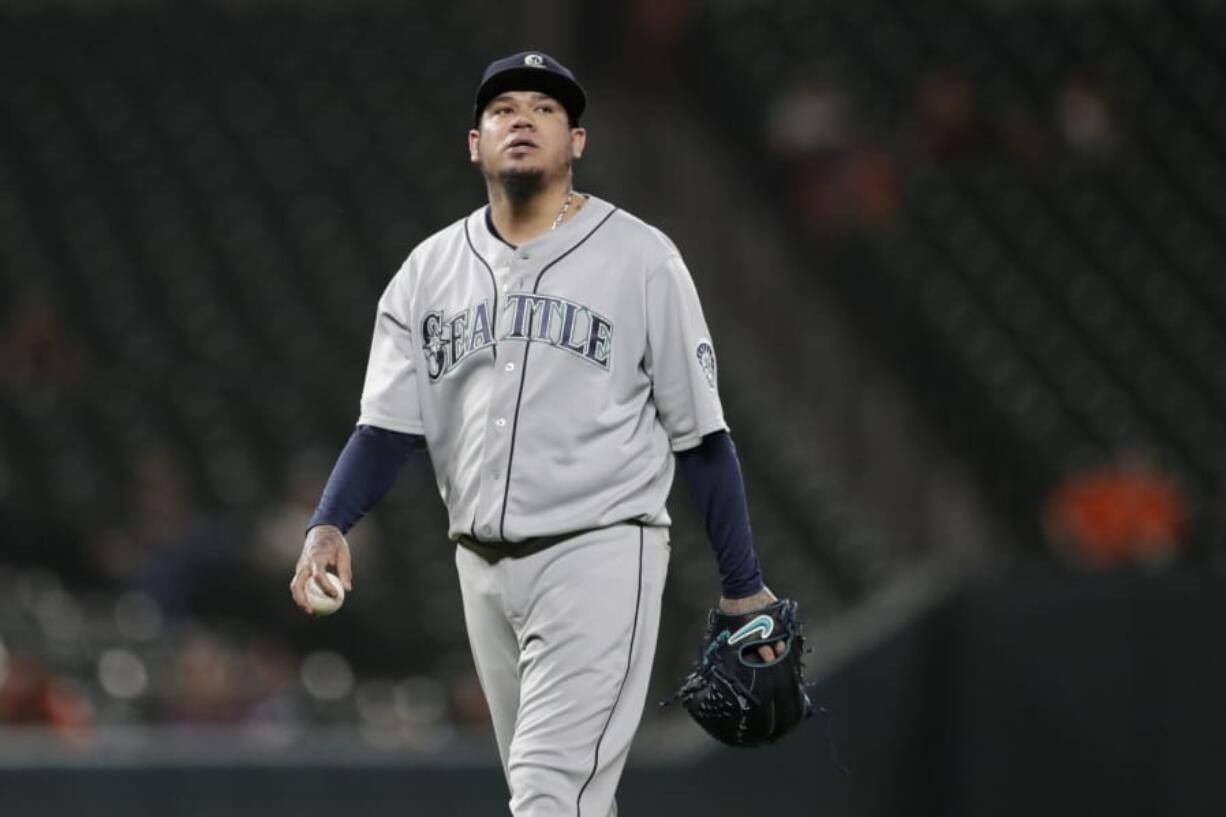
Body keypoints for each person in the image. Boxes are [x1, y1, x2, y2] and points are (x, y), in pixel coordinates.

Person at [289, 51, 783, 817]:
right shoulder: (428, 273)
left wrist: (741, 583)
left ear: (577, 142)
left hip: (599, 553)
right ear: (475, 143)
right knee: (562, 798)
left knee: (550, 797)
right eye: (505, 108)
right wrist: (328, 524)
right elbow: (385, 430)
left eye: (546, 109)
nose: (523, 117)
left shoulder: (642, 259)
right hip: (480, 570)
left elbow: (703, 438)